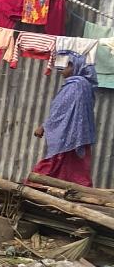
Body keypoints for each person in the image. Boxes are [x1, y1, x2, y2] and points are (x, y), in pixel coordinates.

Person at [32, 53, 98, 186]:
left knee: (52, 163)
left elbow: (61, 112)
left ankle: (35, 187)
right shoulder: (84, 85)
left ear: (75, 67)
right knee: (74, 168)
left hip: (66, 136)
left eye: (66, 66)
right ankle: (75, 192)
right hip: (79, 135)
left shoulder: (75, 86)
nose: (60, 70)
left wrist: (44, 126)